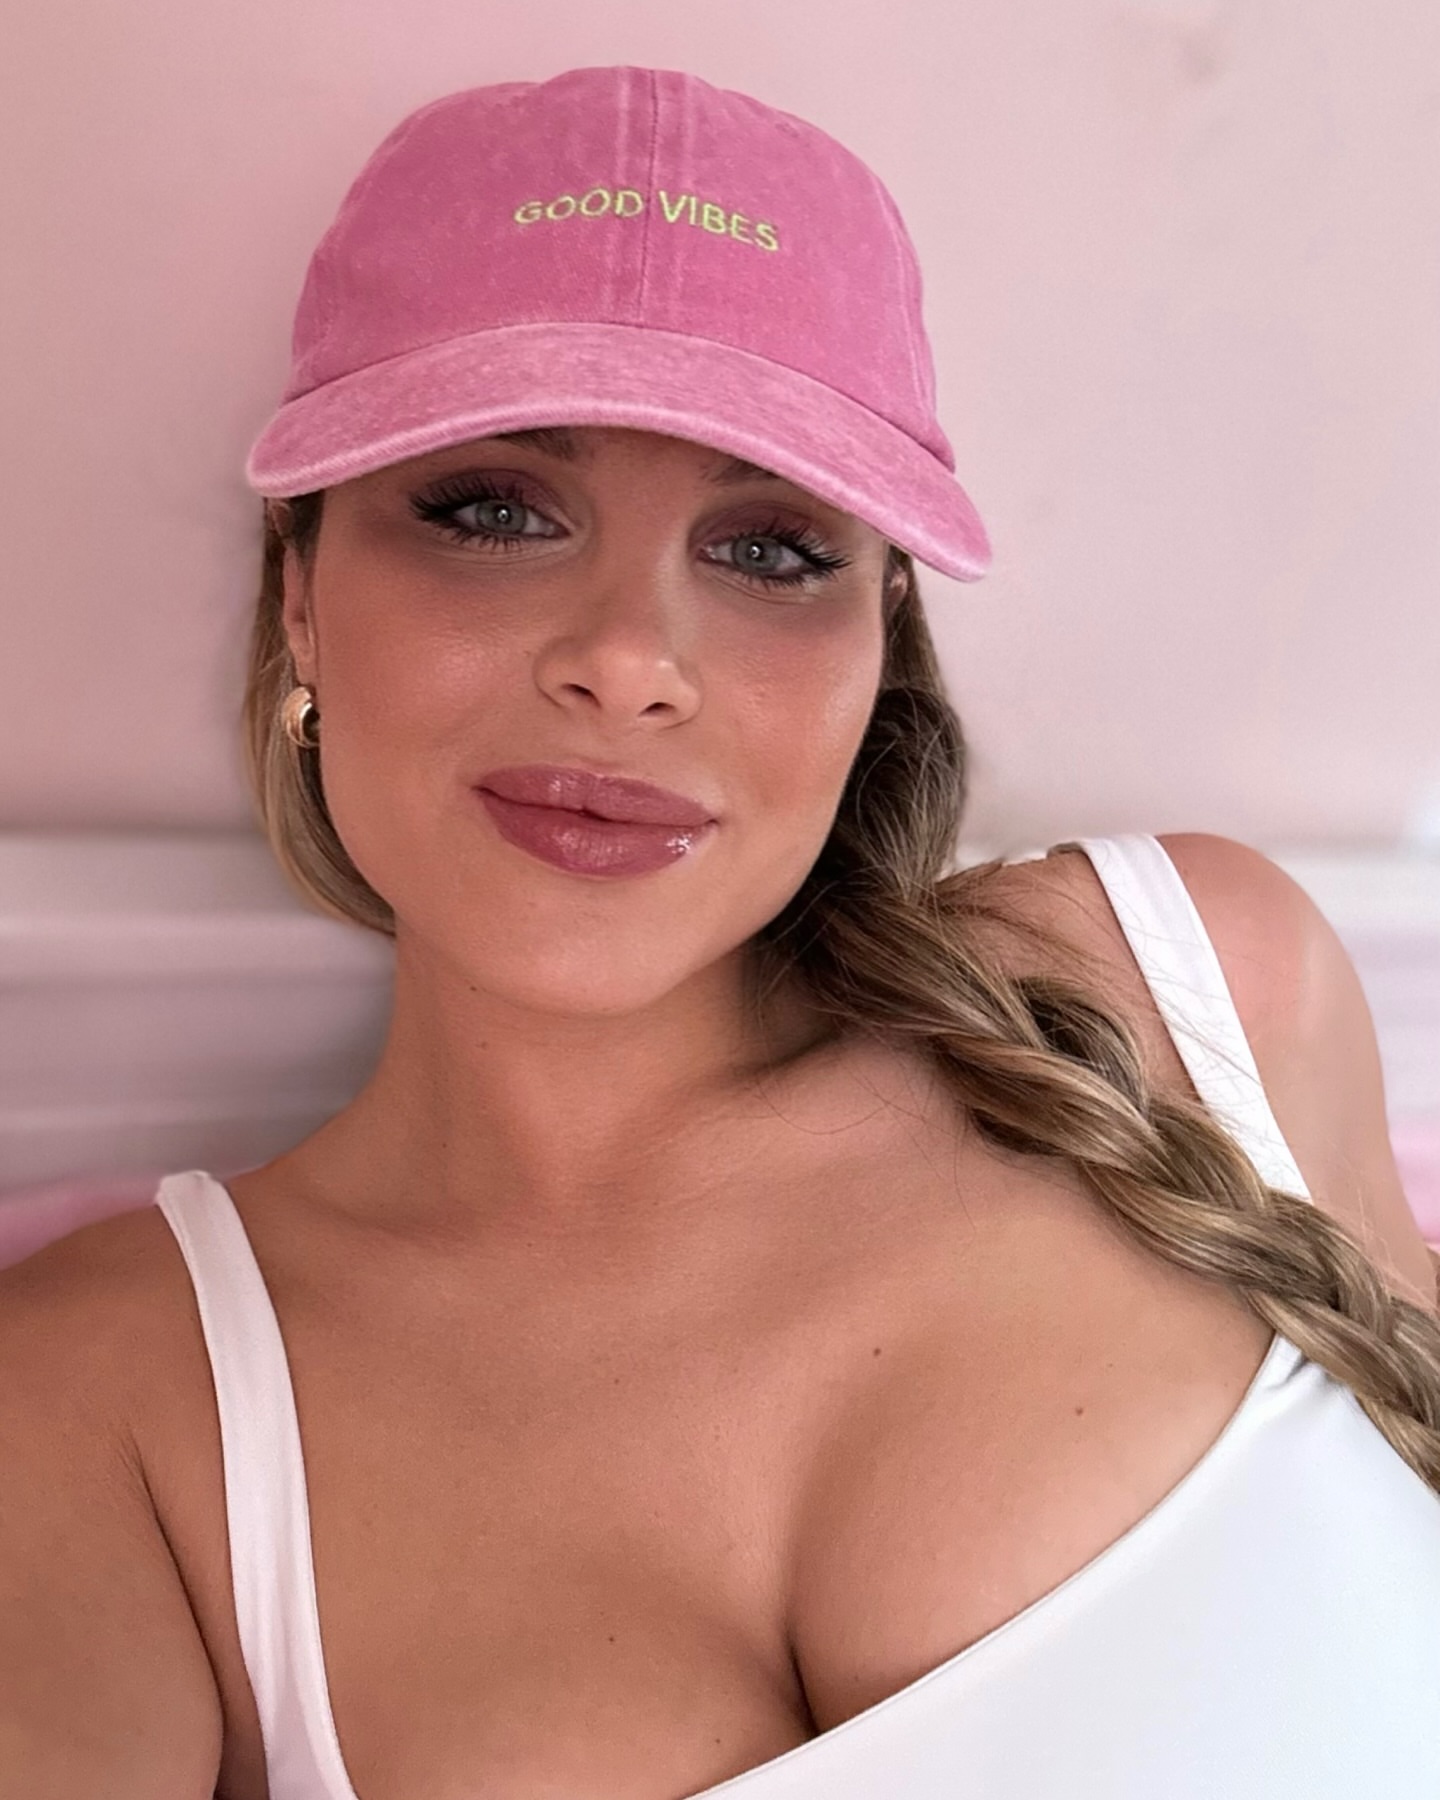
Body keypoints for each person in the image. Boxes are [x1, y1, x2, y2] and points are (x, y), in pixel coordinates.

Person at [3, 63, 1439, 1800]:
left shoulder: (1198, 992)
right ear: (300, 593)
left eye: (769, 550)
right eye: (493, 509)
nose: (629, 659)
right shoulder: (108, 1405)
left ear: (881, 642)